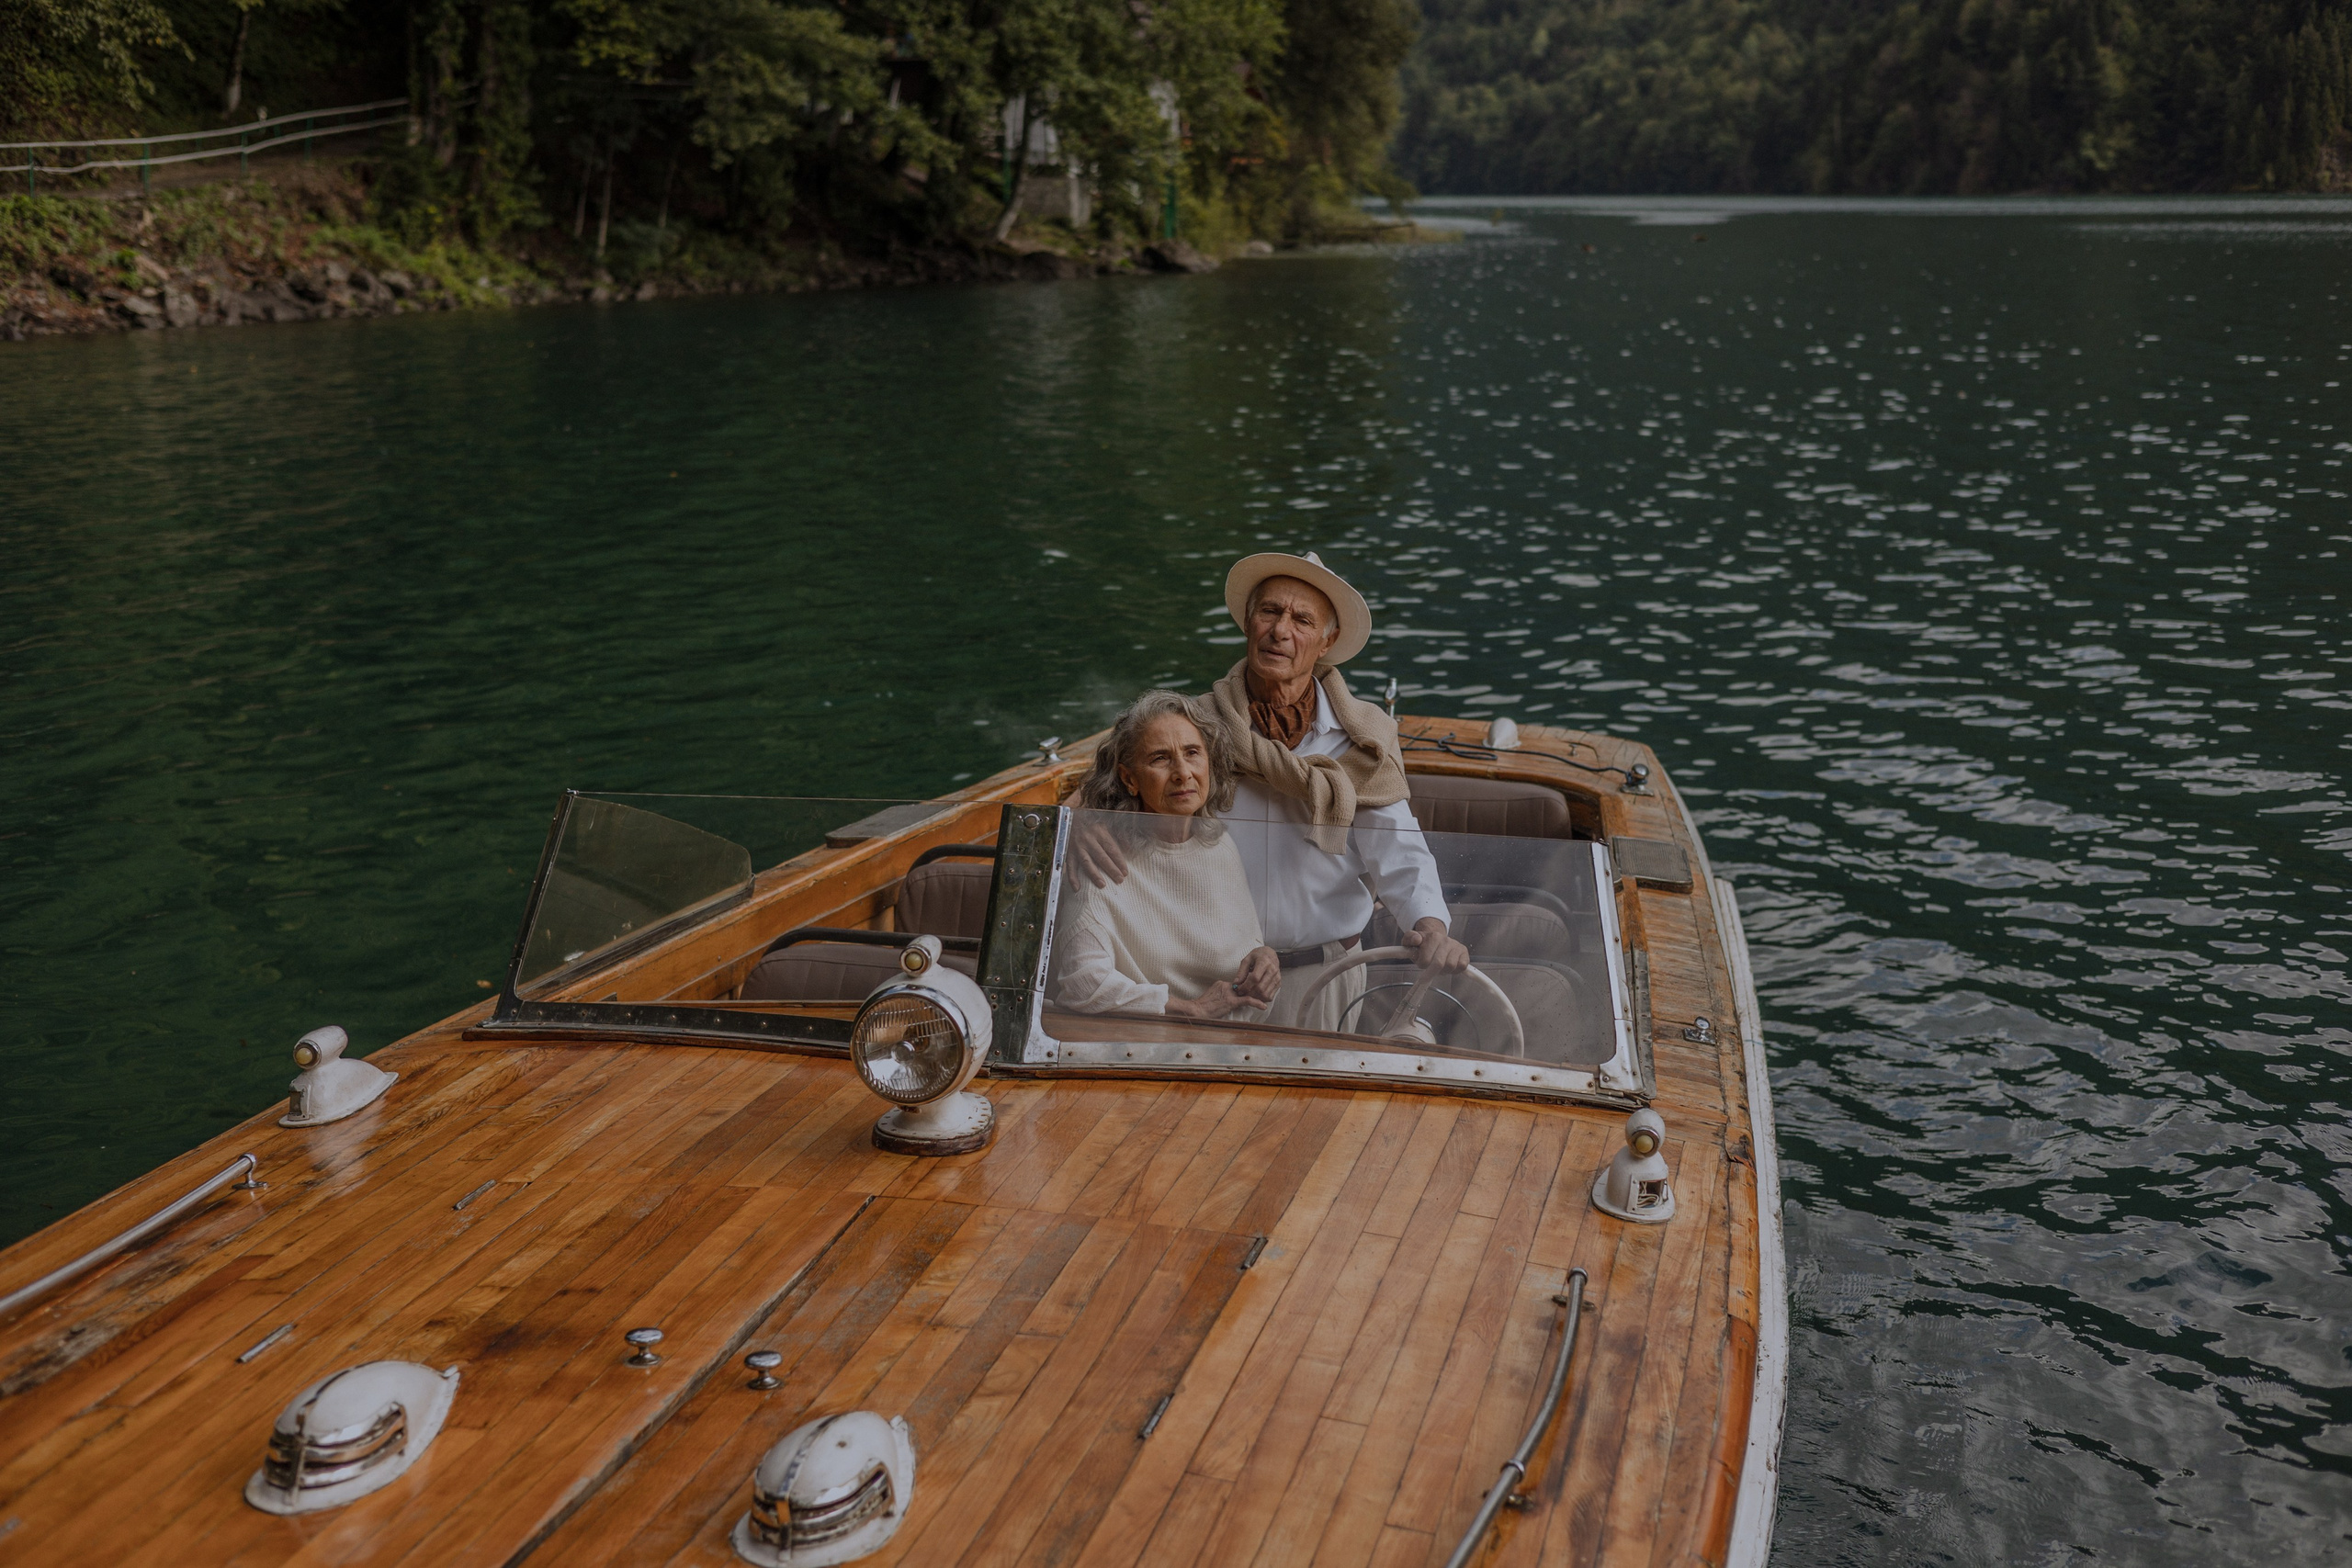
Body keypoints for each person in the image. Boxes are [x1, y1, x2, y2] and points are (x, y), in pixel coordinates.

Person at [1079, 551, 1467, 1036]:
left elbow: (1401, 852)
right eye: (1270, 612)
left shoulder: (1364, 740)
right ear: (1248, 620)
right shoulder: (1199, 727)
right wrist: (1083, 825)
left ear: (1327, 641)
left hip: (1326, 976)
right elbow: (1117, 784)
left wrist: (1431, 925)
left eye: (1302, 619)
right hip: (1212, 979)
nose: (1281, 630)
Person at [1051, 692, 1281, 1021]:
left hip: (1231, 1046)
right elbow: (1083, 984)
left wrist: (1265, 956)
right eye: (1160, 758)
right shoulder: (1099, 856)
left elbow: (1244, 947)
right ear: (1129, 778)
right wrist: (1189, 1010)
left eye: (1192, 753)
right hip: (1144, 1053)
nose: (1183, 772)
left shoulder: (1218, 845)